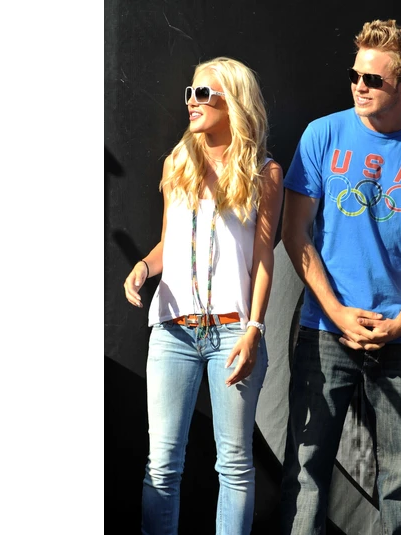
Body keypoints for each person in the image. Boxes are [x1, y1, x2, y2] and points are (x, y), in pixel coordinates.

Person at [279, 19, 401, 534]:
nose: (360, 86)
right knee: (305, 469)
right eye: (355, 75)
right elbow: (296, 233)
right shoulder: (323, 134)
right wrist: (337, 313)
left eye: (374, 79)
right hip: (326, 331)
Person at [123, 56, 284, 535]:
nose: (191, 102)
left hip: (234, 330)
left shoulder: (263, 172)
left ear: (231, 102)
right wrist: (143, 267)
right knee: (162, 464)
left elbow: (262, 258)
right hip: (173, 329)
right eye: (189, 94)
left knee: (234, 464)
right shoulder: (179, 162)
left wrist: (255, 328)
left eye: (203, 94)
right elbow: (168, 244)